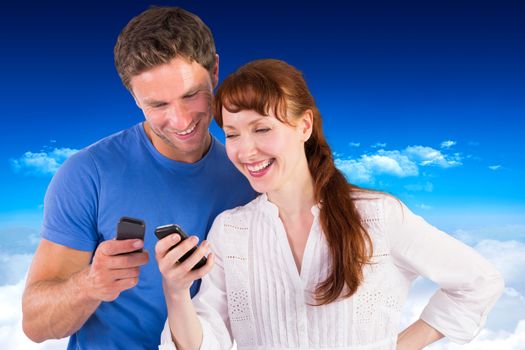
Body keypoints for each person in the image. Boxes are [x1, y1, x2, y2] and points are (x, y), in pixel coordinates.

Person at [155, 59, 504, 350]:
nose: (245, 151)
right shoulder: (231, 230)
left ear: (304, 125)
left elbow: (479, 281)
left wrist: (401, 346)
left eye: (261, 129)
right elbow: (204, 342)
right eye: (232, 134)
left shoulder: (376, 216)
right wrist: (176, 289)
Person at [21, 7, 255, 349]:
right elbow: (35, 324)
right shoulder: (87, 174)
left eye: (191, 95)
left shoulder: (249, 178)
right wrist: (90, 285)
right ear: (134, 98)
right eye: (158, 105)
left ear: (215, 70)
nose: (180, 120)